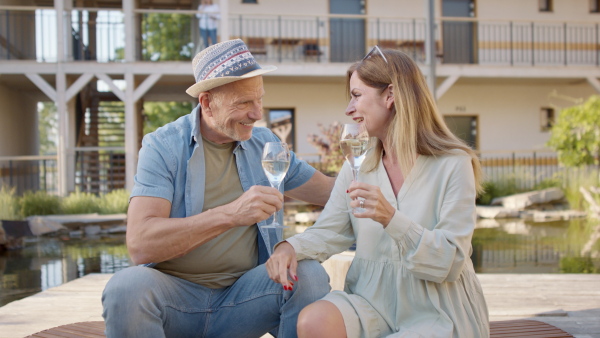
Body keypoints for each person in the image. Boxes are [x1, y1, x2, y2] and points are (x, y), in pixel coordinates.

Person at [102, 39, 334, 338]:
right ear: (207, 103)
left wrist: (387, 159)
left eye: (259, 100)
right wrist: (231, 214)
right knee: (126, 287)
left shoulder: (267, 145)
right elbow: (140, 243)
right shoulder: (163, 146)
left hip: (245, 301)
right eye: (243, 103)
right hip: (175, 303)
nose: (257, 113)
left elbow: (330, 191)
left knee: (310, 275)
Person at [266, 46, 490, 338]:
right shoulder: (359, 164)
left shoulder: (453, 164)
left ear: (390, 95)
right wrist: (289, 247)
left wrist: (391, 219)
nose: (348, 109)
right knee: (313, 321)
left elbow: (450, 260)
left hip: (435, 308)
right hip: (371, 300)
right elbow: (329, 231)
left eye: (356, 95)